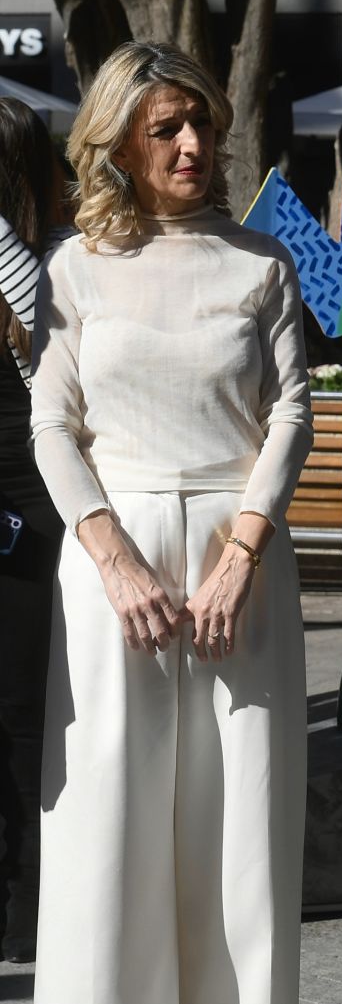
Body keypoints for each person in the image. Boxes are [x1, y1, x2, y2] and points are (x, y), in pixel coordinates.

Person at [30, 41, 313, 1003]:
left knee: (243, 823)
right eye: (168, 128)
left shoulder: (263, 262)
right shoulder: (74, 268)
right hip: (113, 562)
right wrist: (113, 561)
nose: (195, 144)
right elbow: (51, 425)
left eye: (203, 125)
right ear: (118, 143)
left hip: (243, 565)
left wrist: (241, 553)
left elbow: (292, 413)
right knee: (110, 818)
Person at [0, 97, 59, 965]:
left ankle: (27, 909)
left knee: (21, 720)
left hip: (26, 520)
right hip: (31, 516)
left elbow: (41, 369)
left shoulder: (49, 267)